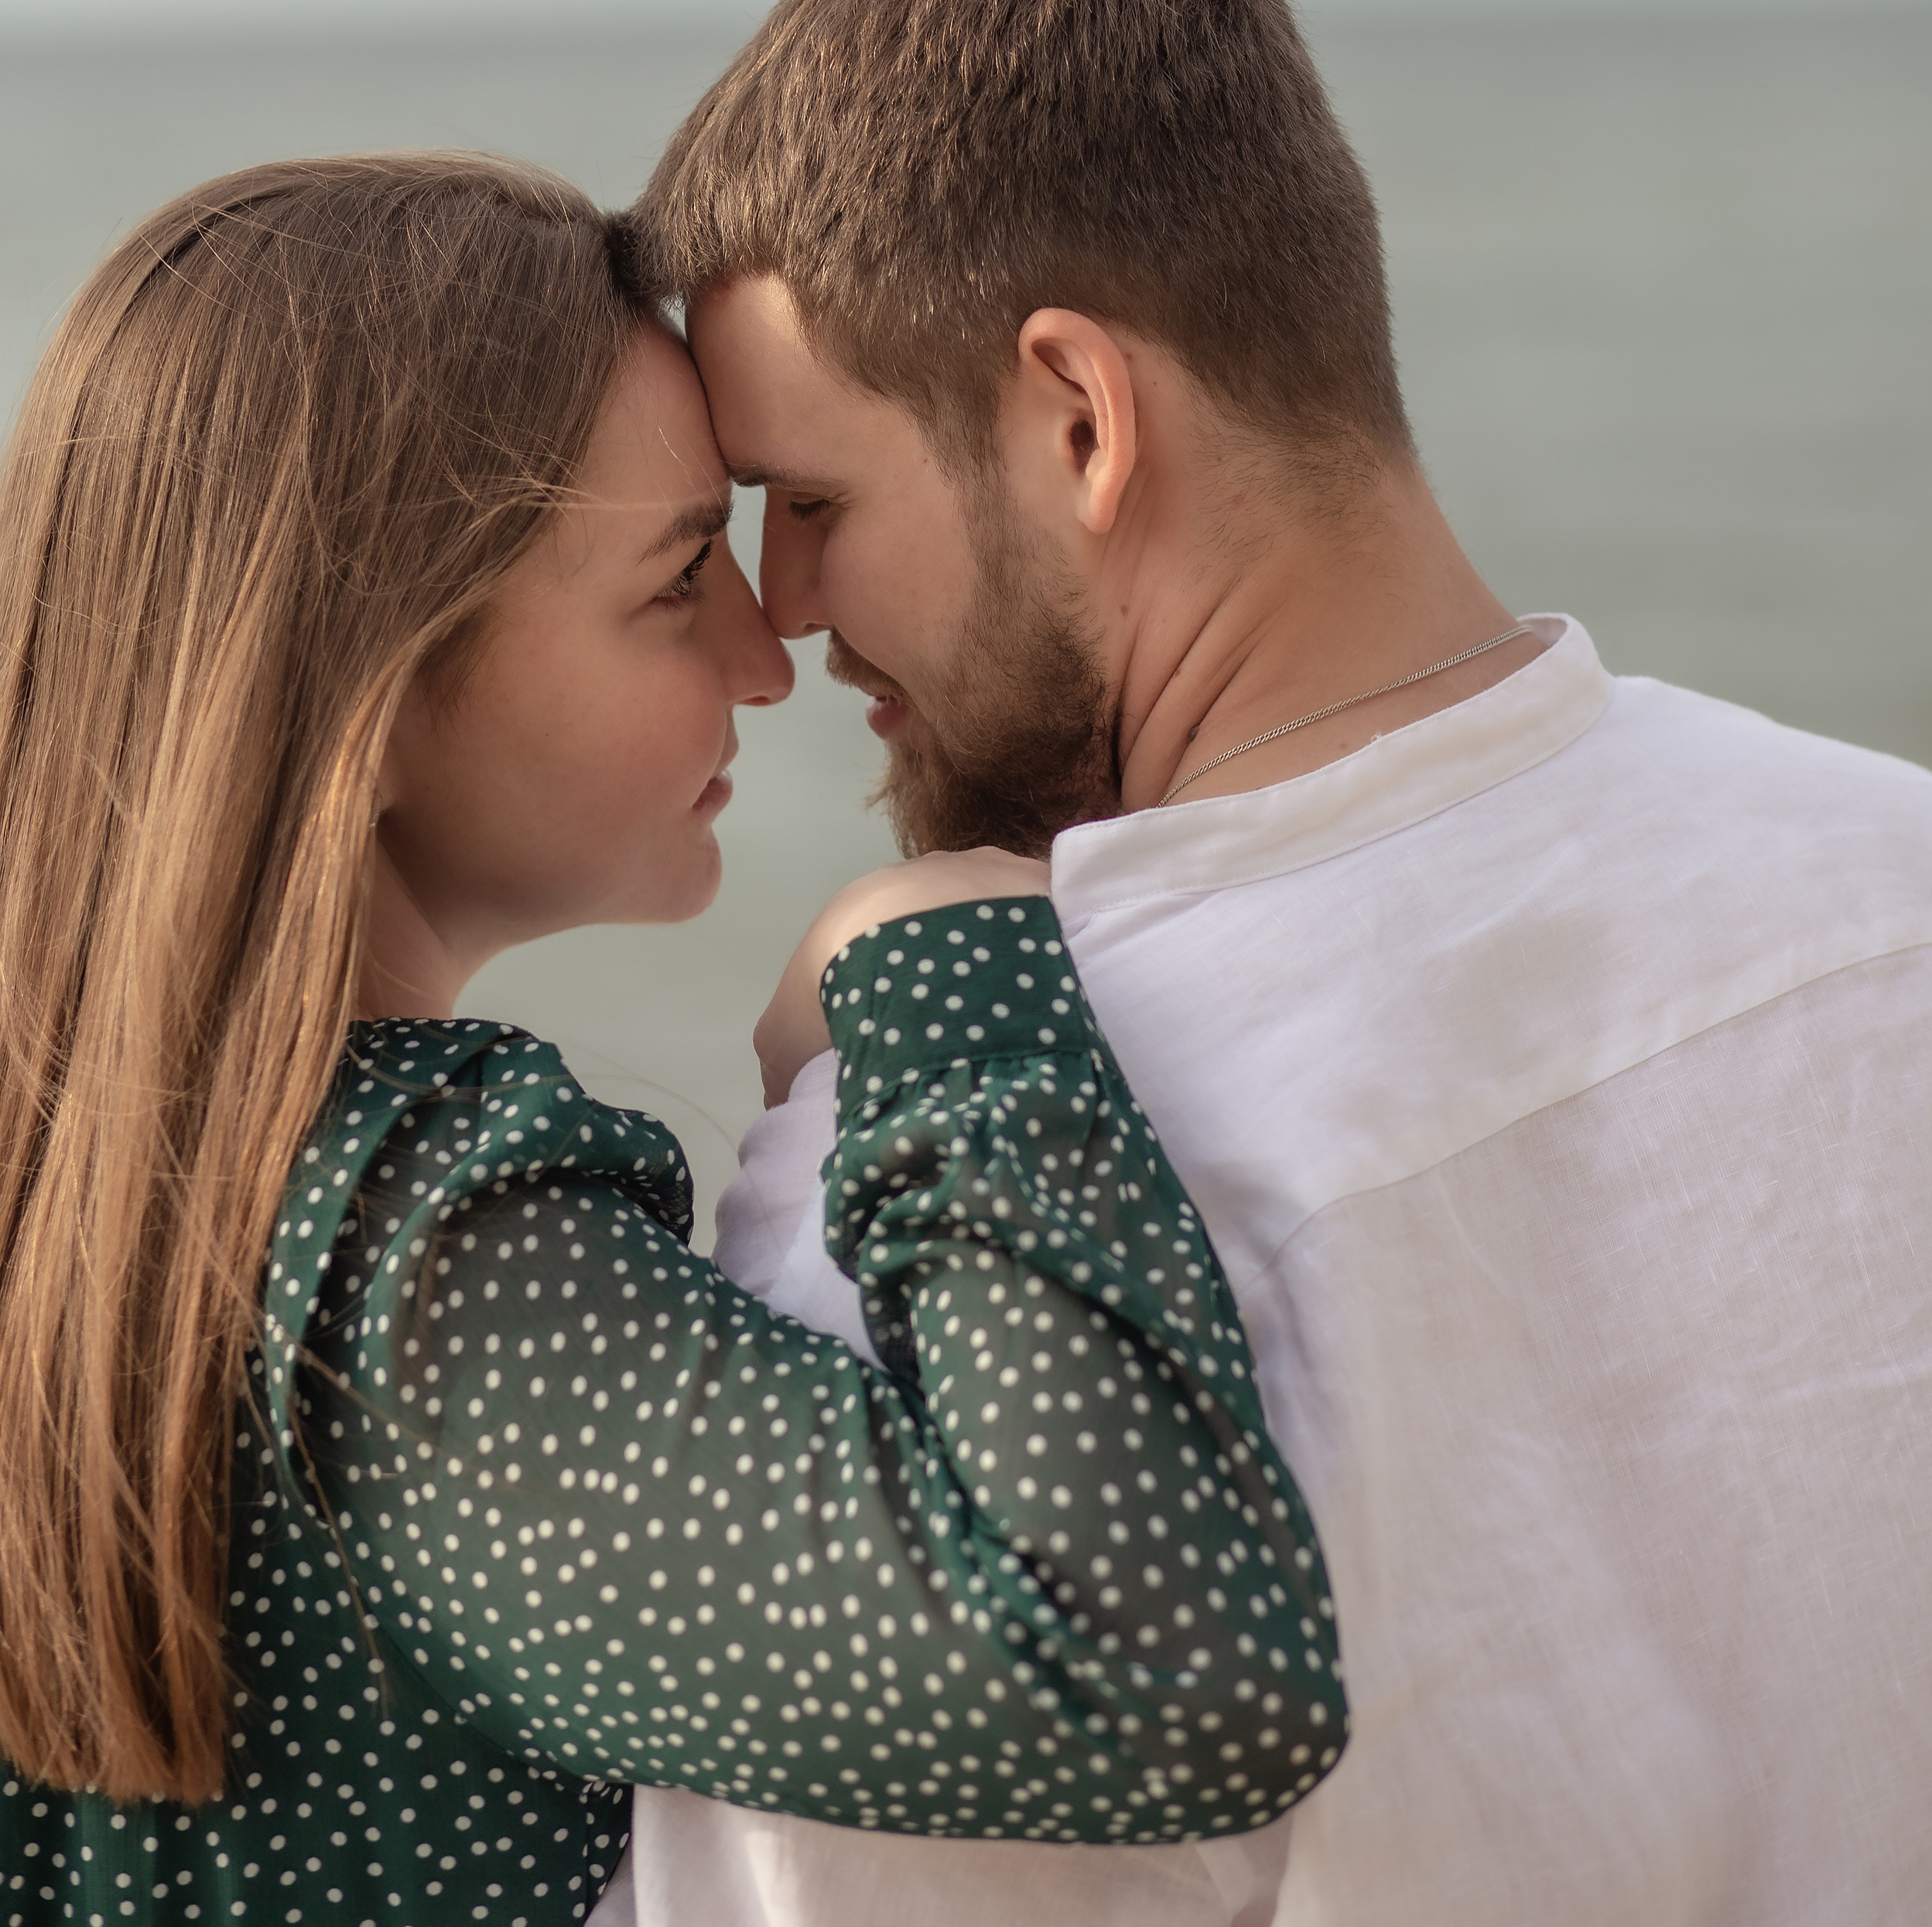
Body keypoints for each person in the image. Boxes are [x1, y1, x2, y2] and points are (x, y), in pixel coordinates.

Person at [625, 0, 1932, 1927]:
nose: (787, 613)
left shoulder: (955, 1233)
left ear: (1079, 415)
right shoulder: (1929, 889)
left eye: (815, 498)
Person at [0, 151, 1347, 1927]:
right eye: (666, 582)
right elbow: (1153, 1667)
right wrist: (943, 985)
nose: (764, 656)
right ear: (376, 693)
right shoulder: (395, 1273)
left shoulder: (105, 1192)